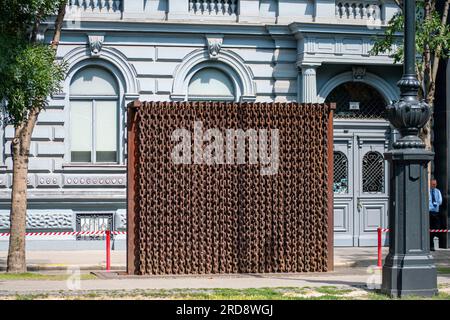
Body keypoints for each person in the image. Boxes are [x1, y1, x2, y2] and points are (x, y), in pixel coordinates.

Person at [429, 179, 443, 251]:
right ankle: (431, 245)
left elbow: (440, 201)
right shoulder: (428, 191)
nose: (434, 185)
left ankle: (433, 242)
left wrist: (436, 203)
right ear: (430, 184)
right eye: (432, 184)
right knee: (430, 229)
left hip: (436, 211)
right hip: (430, 211)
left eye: (435, 184)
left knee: (437, 228)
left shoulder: (438, 191)